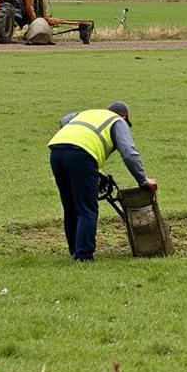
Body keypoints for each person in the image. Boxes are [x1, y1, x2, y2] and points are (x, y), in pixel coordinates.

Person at [48, 102, 158, 262]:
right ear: (125, 116)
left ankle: (75, 252)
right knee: (87, 209)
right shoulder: (118, 121)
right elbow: (129, 154)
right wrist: (143, 180)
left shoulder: (88, 114)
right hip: (81, 156)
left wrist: (96, 172)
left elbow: (65, 120)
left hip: (57, 153)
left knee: (71, 207)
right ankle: (84, 257)